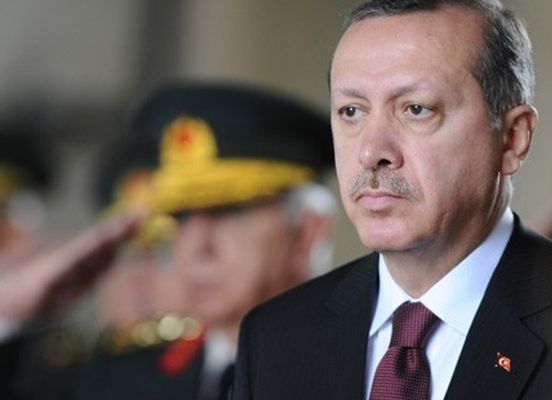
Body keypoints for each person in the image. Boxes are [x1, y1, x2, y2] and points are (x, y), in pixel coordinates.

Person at [232, 1, 551, 399]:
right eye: (351, 111)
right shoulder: (275, 338)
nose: (371, 152)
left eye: (416, 109)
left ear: (513, 137)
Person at [71, 82, 336, 400]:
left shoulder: (363, 372)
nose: (197, 247)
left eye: (227, 211)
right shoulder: (124, 379)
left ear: (307, 232)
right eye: (180, 217)